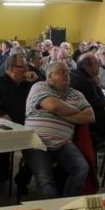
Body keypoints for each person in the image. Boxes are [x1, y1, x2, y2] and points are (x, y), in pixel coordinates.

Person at [23, 61, 94, 198]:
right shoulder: (40, 86)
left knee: (81, 167)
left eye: (67, 72)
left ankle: (67, 205)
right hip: (36, 141)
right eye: (61, 72)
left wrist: (63, 113)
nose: (66, 75)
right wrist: (74, 111)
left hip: (63, 142)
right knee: (45, 179)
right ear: (50, 76)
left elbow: (90, 116)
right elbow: (53, 105)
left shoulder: (76, 94)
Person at [0, 54, 38, 189]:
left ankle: (23, 177)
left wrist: (37, 80)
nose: (26, 70)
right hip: (4, 128)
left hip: (27, 126)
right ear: (11, 68)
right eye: (22, 67)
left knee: (39, 146)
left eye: (26, 67)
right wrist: (1, 114)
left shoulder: (29, 84)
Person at [70, 54, 105, 135]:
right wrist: (98, 86)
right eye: (97, 63)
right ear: (87, 67)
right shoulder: (86, 82)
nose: (99, 66)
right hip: (83, 125)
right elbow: (100, 105)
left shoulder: (71, 74)